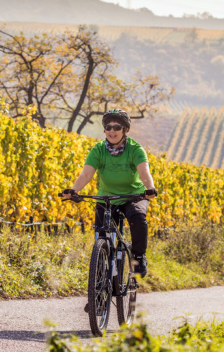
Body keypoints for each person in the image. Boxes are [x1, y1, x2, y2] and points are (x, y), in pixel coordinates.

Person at [62, 109, 157, 277]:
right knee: (101, 234)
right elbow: (85, 174)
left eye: (117, 127)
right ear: (104, 129)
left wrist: (149, 188)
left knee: (138, 218)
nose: (112, 131)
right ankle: (100, 278)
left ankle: (138, 257)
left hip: (133, 195)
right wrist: (74, 191)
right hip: (107, 196)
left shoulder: (135, 149)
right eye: (108, 127)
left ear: (125, 130)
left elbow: (144, 173)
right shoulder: (98, 150)